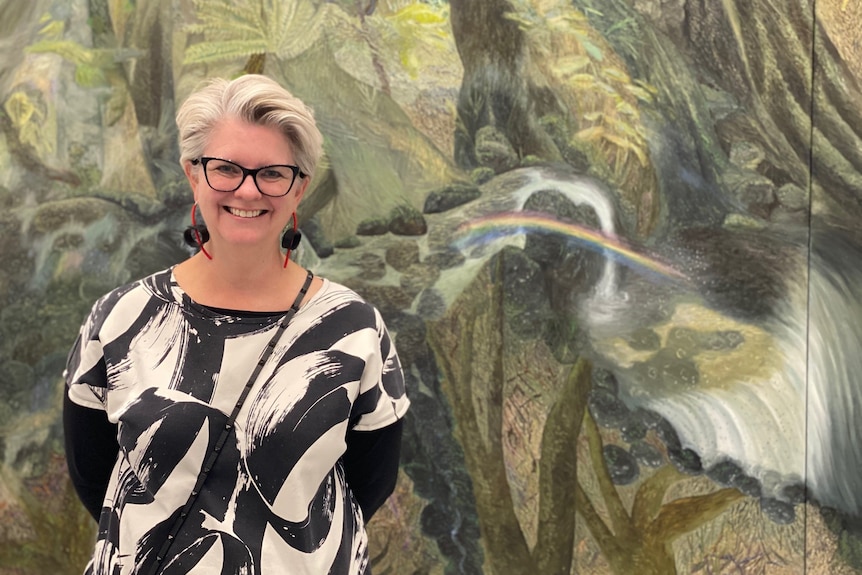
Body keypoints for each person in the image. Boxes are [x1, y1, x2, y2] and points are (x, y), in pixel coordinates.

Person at [63, 74, 410, 575]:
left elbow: (370, 481)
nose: (248, 190)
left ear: (299, 190)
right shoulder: (120, 318)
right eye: (226, 168)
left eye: (272, 173)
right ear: (193, 174)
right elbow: (93, 472)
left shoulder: (353, 328)